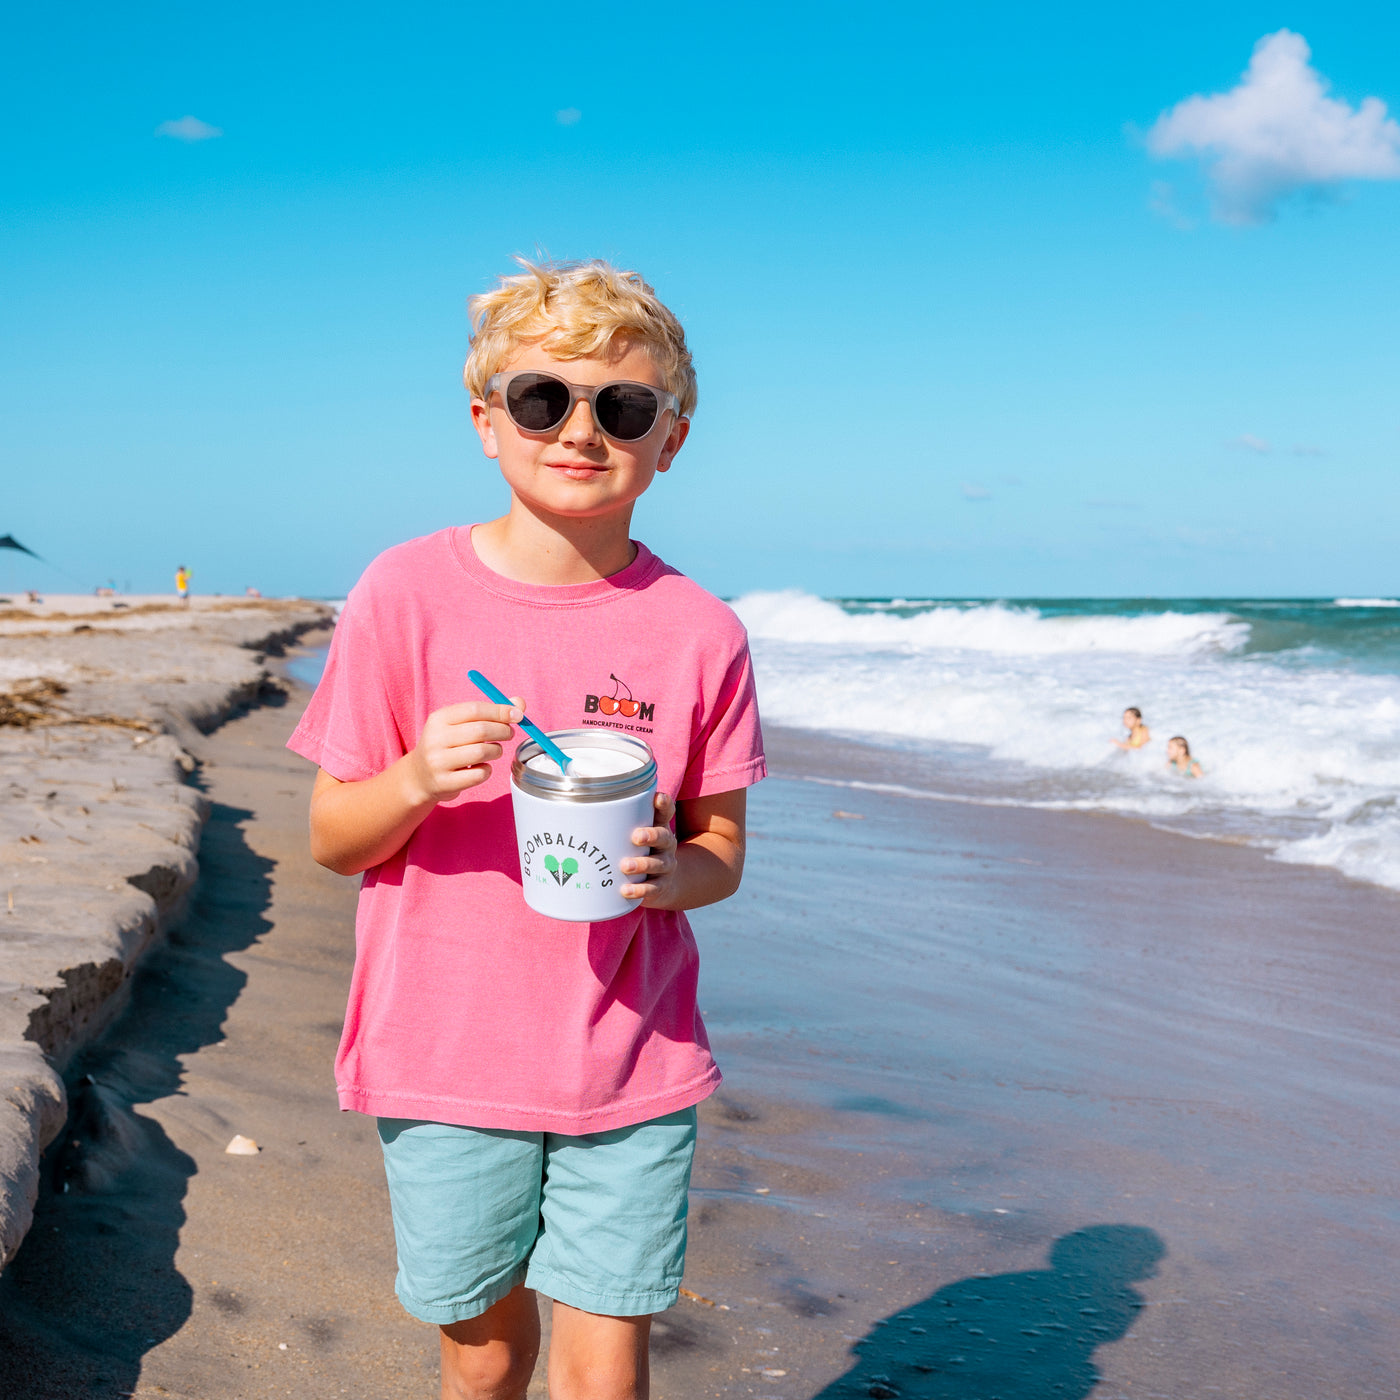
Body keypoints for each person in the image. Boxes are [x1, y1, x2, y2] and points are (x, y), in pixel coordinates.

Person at [286, 259, 765, 1400]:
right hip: (444, 1056)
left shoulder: (701, 634)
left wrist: (668, 876)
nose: (581, 431)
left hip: (630, 1054)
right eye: (543, 399)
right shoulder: (404, 594)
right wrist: (413, 777)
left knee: (604, 1373)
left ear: (671, 438)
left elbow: (721, 851)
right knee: (487, 1353)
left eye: (624, 407)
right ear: (486, 421)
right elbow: (333, 838)